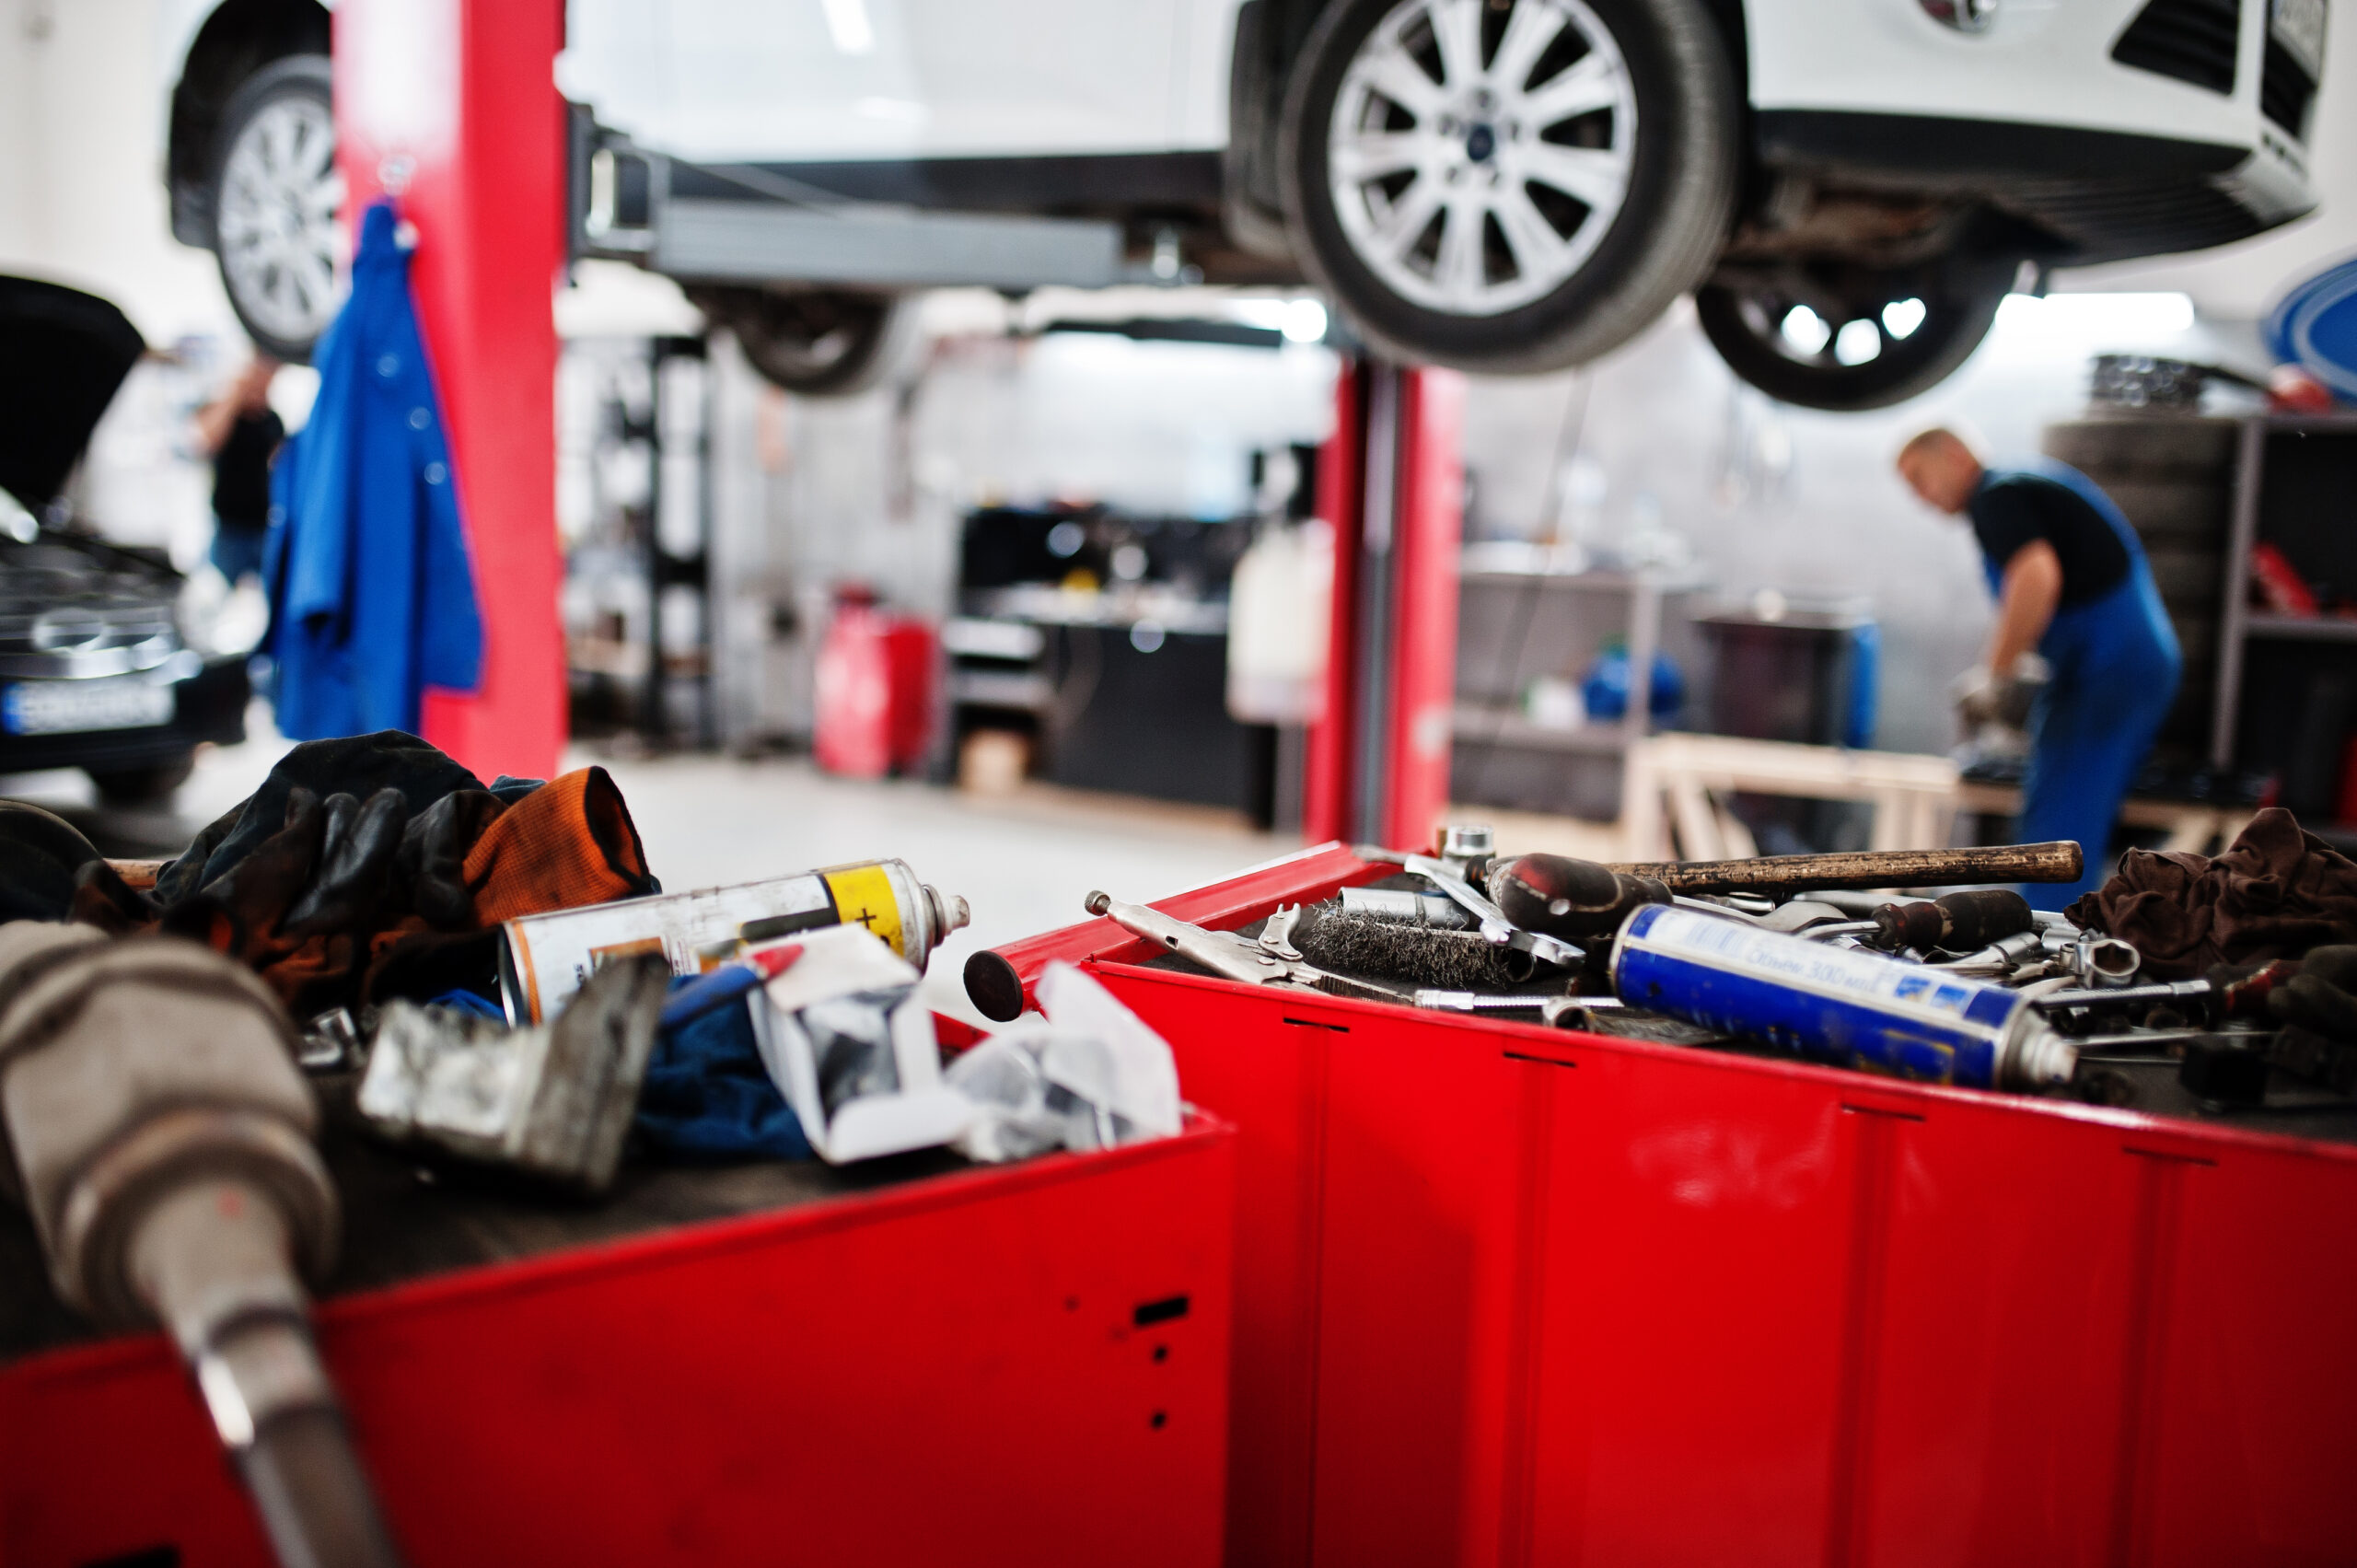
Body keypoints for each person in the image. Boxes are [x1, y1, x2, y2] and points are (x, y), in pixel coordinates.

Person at [1897, 426, 2181, 909]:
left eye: (1920, 478)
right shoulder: (2019, 488)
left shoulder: (1997, 495)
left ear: (1954, 453)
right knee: (2056, 811)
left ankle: (2051, 952)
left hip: (2111, 668)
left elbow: (2035, 576)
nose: (1922, 499)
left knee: (2061, 832)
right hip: (2099, 670)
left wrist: (1996, 674)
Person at [194, 355, 283, 585]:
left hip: (263, 527)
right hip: (229, 529)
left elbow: (279, 467)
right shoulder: (225, 413)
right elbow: (206, 442)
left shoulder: (272, 421)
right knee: (220, 592)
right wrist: (235, 394)